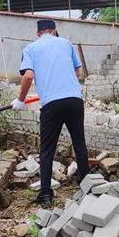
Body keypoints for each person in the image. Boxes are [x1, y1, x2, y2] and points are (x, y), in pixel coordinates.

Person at [12, 19, 88, 206]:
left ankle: (46, 193)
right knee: (79, 143)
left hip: (51, 104)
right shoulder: (66, 43)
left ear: (38, 33)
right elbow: (78, 72)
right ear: (54, 31)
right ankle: (87, 185)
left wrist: (20, 100)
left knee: (47, 149)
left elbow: (28, 75)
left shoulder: (31, 48)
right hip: (74, 100)